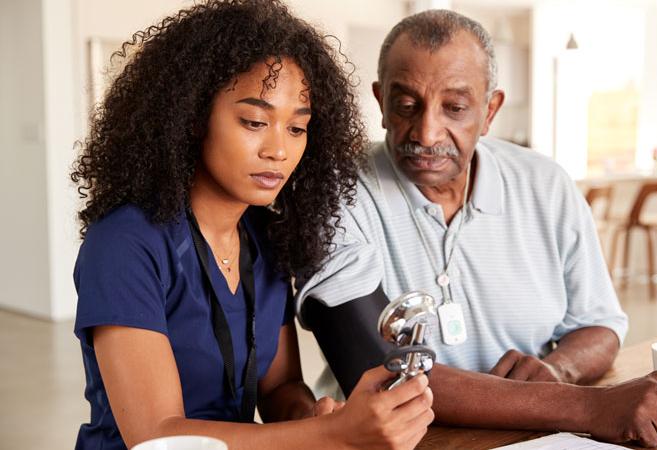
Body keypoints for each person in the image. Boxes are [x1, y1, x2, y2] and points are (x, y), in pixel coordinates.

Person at [295, 9, 657, 448]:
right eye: (407, 104)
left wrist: (557, 371)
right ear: (380, 103)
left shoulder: (547, 185)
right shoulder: (332, 193)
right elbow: (377, 366)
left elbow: (599, 325)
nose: (428, 132)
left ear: (490, 110)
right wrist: (587, 406)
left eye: (455, 107)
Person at [70, 1, 433, 449]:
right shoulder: (125, 244)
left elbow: (280, 391)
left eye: (297, 129)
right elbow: (155, 436)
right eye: (254, 121)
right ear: (191, 118)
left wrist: (313, 413)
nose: (278, 150)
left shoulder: (264, 238)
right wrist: (333, 434)